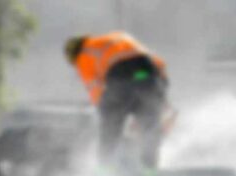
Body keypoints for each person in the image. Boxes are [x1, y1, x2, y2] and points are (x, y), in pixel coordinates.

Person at [65, 32, 169, 168]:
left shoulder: (84, 54)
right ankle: (150, 171)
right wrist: (161, 94)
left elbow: (94, 88)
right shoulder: (119, 37)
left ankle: (105, 171)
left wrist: (104, 110)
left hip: (121, 77)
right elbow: (159, 64)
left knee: (110, 129)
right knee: (149, 127)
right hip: (147, 75)